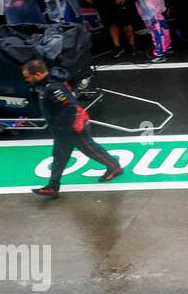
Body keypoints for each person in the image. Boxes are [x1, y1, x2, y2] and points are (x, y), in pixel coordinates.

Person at [23, 58, 123, 199]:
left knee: (91, 150)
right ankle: (53, 186)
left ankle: (115, 167)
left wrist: (64, 124)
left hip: (73, 128)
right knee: (59, 156)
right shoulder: (45, 85)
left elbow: (70, 107)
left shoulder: (53, 88)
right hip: (61, 130)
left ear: (38, 74)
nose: (27, 80)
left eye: (28, 77)